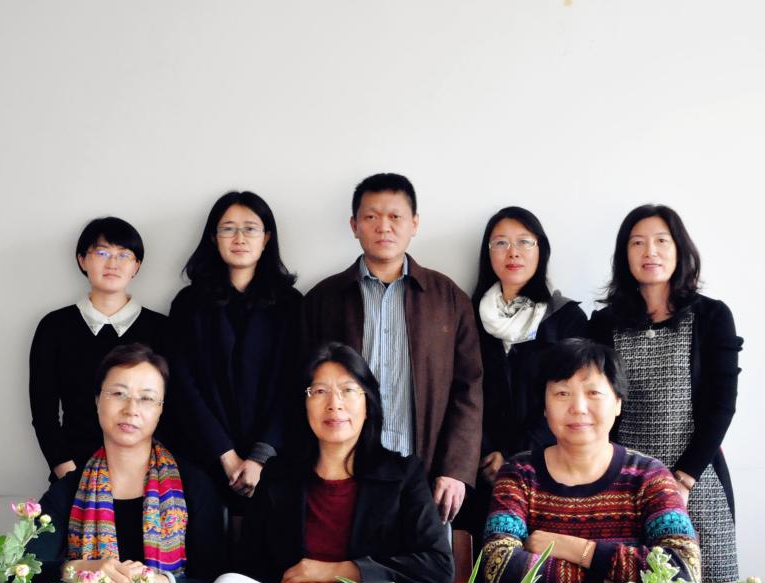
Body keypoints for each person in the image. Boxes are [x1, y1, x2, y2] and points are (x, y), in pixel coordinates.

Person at [302, 173, 482, 525]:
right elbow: (302, 385)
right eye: (371, 216)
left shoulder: (448, 298)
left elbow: (469, 388)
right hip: (341, 471)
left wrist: (456, 468)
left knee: (422, 558)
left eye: (395, 216)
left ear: (414, 224)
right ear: (354, 226)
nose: (383, 226)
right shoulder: (324, 299)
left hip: (425, 471)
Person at [590, 204, 741, 583]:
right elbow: (596, 406)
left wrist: (683, 480)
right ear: (625, 255)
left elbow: (722, 406)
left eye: (661, 241)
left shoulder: (711, 317)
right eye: (637, 243)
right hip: (625, 483)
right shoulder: (605, 323)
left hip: (696, 480)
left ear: (680, 250)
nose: (650, 252)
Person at [482, 338, 700, 583]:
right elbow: (498, 565)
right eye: (562, 393)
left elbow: (683, 570)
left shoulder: (648, 476)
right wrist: (610, 577)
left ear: (618, 403)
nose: (578, 408)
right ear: (545, 406)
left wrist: (575, 549)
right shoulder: (519, 474)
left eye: (593, 393)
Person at [238, 342, 453, 583]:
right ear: (304, 405)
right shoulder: (277, 475)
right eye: (320, 391)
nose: (334, 404)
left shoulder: (404, 475)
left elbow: (439, 567)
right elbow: (248, 569)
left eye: (348, 390)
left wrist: (343, 571)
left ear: (368, 405)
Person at [28, 343, 224, 583]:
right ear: (97, 400)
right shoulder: (66, 492)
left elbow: (219, 580)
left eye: (147, 398)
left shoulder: (194, 486)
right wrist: (79, 569)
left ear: (161, 409)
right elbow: (21, 572)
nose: (131, 410)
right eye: (119, 394)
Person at [458, 206, 588, 547]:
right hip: (478, 470)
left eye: (524, 242)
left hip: (550, 467)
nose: (512, 252)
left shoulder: (567, 319)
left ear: (540, 250)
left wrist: (515, 454)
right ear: (488, 253)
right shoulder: (466, 316)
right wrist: (486, 453)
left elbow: (573, 397)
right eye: (501, 242)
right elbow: (460, 390)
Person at [166, 191, 301, 511]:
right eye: (228, 229)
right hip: (201, 456)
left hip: (275, 459)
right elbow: (182, 384)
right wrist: (225, 455)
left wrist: (259, 456)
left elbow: (295, 383)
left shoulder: (291, 304)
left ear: (266, 238)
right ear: (213, 238)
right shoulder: (188, 304)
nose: (239, 238)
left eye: (250, 229)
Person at [29, 217, 167, 479]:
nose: (113, 263)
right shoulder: (54, 327)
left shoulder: (163, 329)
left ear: (136, 266)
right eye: (102, 253)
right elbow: (43, 410)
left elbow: (174, 408)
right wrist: (65, 469)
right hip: (74, 469)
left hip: (149, 473)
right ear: (82, 260)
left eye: (124, 255)